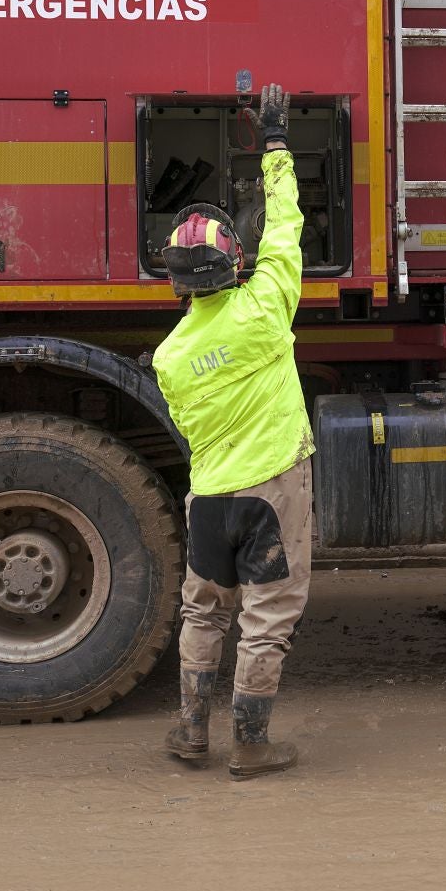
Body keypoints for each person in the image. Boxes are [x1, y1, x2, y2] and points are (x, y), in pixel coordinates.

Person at [153, 83, 314, 779]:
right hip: (273, 487)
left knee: (206, 610)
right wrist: (276, 141)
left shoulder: (169, 358)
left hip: (210, 497)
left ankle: (192, 732)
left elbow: (190, 426)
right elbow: (286, 223)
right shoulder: (268, 305)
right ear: (234, 263)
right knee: (268, 615)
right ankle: (251, 744)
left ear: (178, 283)